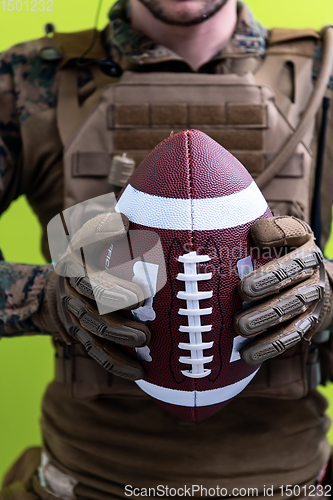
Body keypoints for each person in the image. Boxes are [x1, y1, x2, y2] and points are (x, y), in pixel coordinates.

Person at [1, 0, 333, 498]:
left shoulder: (322, 79)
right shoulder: (30, 79)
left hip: (292, 478)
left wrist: (327, 291)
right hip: (88, 478)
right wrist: (44, 297)